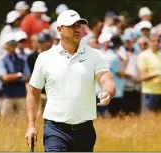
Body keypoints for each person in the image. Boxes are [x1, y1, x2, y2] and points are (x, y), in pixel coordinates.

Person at [25, 10, 116, 152]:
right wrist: (31, 125)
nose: (77, 29)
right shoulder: (45, 58)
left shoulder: (94, 55)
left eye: (79, 25)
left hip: (85, 130)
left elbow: (106, 80)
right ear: (60, 29)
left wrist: (108, 92)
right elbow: (33, 93)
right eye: (72, 26)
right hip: (55, 130)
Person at [0, 33, 30, 119]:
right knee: (6, 124)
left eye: (14, 43)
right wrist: (18, 76)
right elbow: (4, 78)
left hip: (21, 95)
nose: (12, 45)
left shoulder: (22, 59)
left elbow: (27, 77)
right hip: (6, 96)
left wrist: (12, 77)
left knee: (22, 123)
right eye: (10, 43)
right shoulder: (1, 59)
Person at [137, 35, 161, 112]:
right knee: (147, 121)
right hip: (149, 94)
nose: (156, 43)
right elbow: (142, 76)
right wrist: (158, 73)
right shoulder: (143, 56)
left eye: (158, 41)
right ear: (149, 42)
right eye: (153, 41)